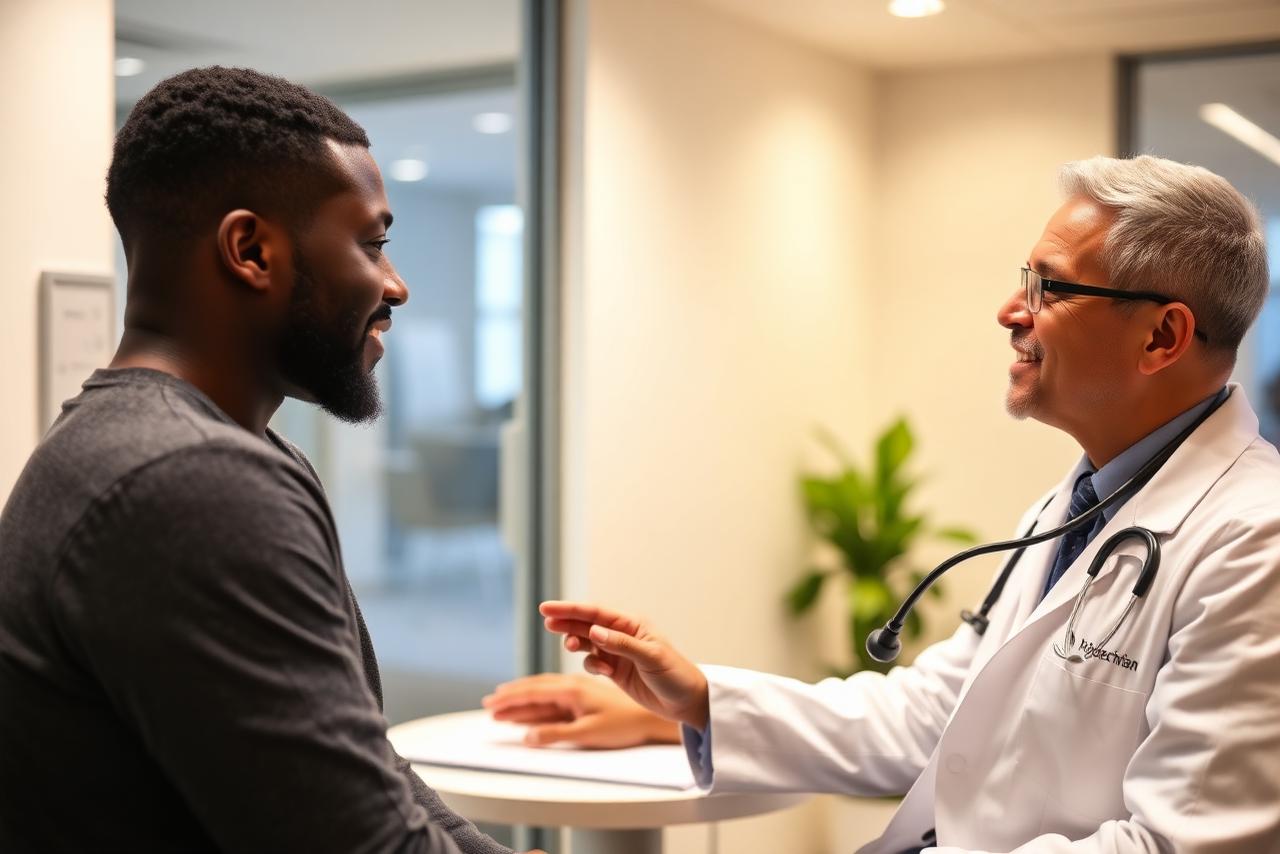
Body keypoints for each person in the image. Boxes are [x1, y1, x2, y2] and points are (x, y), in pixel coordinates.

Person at [487, 155, 1280, 852]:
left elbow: (1181, 843)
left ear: (1162, 338)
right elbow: (938, 714)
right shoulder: (1076, 507)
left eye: (1047, 286)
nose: (1010, 311)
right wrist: (694, 695)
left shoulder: (1255, 544)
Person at [0, 67, 530, 854]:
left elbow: (371, 770)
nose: (396, 285)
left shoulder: (207, 450)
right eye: (373, 242)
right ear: (250, 249)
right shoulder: (185, 479)